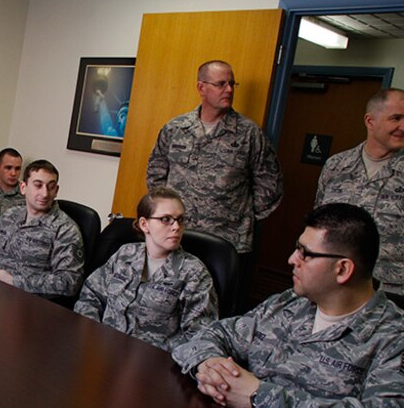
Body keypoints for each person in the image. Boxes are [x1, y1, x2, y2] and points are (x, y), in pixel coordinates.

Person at [172, 203, 404, 408]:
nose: (291, 259)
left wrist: (259, 395)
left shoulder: (392, 337)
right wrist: (209, 363)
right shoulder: (288, 304)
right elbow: (208, 334)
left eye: (305, 253)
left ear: (342, 269)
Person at [146, 60, 283, 310]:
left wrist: (240, 217)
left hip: (226, 241)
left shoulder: (248, 134)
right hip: (176, 237)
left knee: (215, 307)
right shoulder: (176, 128)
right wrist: (163, 217)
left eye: (232, 83)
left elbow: (270, 186)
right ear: (201, 87)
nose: (229, 89)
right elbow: (156, 174)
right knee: (169, 302)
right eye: (221, 84)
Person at [74, 187, 217, 352]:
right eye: (165, 219)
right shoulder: (125, 254)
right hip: (102, 350)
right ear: (144, 224)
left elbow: (200, 335)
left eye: (180, 219)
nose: (176, 227)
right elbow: (91, 296)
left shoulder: (193, 272)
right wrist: (91, 335)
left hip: (153, 363)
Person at [315, 88, 404, 295]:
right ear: (370, 121)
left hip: (392, 292)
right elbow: (319, 222)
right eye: (396, 118)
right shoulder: (337, 165)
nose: (403, 126)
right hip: (334, 285)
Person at [0, 159, 84, 297]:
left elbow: (69, 282)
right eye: (38, 185)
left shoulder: (65, 229)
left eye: (50, 187)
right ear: (23, 188)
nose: (45, 194)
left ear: (56, 191)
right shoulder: (9, 216)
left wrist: (14, 281)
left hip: (29, 302)